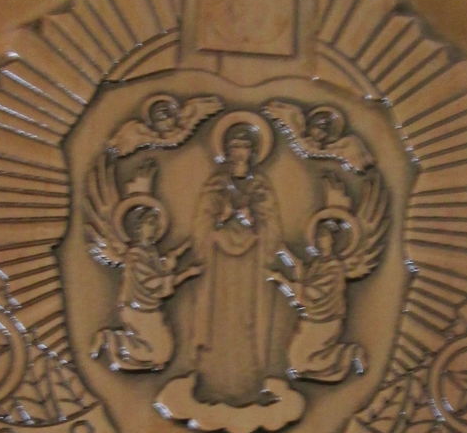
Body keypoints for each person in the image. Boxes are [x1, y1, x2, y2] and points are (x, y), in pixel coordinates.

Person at [191, 119, 284, 406]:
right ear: (226, 150)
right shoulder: (216, 184)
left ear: (253, 151)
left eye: (245, 146)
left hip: (250, 264)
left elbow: (271, 225)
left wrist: (251, 220)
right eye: (234, 146)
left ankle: (248, 385)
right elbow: (202, 222)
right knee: (220, 319)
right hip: (220, 263)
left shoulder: (260, 185)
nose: (239, 151)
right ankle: (211, 384)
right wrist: (221, 220)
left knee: (246, 319)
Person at [91, 206, 199, 371]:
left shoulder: (149, 251)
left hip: (149, 307)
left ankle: (129, 354)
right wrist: (187, 274)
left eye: (155, 223)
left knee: (163, 354)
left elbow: (161, 265)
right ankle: (111, 339)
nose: (154, 227)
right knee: (160, 355)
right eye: (150, 223)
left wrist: (184, 248)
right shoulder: (135, 255)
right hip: (137, 308)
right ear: (138, 228)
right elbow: (152, 282)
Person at [271, 219, 367, 382]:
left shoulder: (335, 267)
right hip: (312, 317)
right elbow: (302, 271)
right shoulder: (318, 263)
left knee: (299, 363)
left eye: (325, 239)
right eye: (319, 239)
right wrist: (285, 251)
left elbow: (315, 292)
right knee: (296, 360)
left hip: (326, 319)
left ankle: (348, 353)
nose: (321, 243)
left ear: (331, 242)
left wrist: (283, 280)